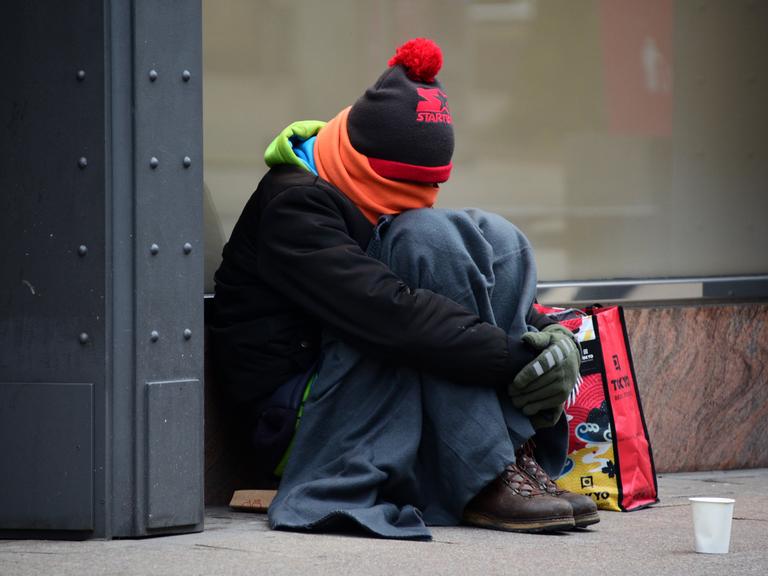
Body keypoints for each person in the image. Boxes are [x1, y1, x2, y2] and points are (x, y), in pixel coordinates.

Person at [212, 38, 598, 540]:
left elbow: (451, 290)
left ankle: (509, 459)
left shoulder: (355, 186)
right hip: (300, 423)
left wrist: (546, 336)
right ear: (362, 162)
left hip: (367, 374)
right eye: (398, 192)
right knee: (427, 245)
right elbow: (394, 315)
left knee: (495, 237)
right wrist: (517, 358)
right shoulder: (294, 206)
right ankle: (483, 475)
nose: (412, 204)